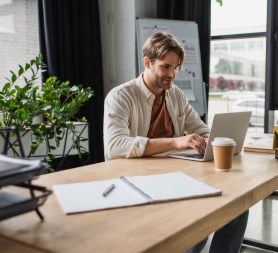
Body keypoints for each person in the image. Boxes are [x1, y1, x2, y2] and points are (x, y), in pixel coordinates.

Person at [103, 32, 248, 253]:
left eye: (176, 67)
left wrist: (210, 139)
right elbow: (115, 147)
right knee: (197, 221)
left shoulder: (176, 95)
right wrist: (176, 142)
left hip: (177, 177)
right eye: (165, 67)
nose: (172, 74)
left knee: (237, 207)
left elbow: (200, 128)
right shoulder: (121, 96)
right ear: (147, 62)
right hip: (136, 182)